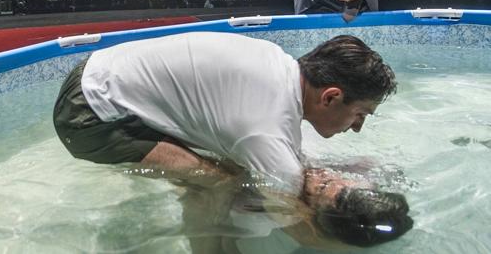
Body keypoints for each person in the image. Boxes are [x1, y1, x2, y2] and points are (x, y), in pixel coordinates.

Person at [53, 32, 412, 245]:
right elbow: (299, 230)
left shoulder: (278, 64)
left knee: (229, 169)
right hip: (88, 116)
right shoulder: (267, 131)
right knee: (216, 183)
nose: (357, 126)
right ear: (331, 96)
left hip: (102, 70)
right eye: (360, 114)